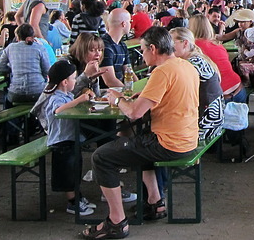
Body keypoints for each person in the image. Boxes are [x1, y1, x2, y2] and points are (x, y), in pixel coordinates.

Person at [84, 27, 200, 238]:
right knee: (140, 141)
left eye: (143, 50)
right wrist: (142, 95)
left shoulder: (162, 71)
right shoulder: (185, 66)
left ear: (153, 49)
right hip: (187, 138)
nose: (142, 55)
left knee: (101, 156)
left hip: (169, 144)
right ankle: (155, 202)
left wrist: (117, 99)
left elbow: (135, 113)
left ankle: (116, 222)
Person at [31, 60, 99, 216]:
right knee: (67, 171)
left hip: (70, 138)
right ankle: (72, 202)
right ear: (65, 82)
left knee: (76, 167)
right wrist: (79, 100)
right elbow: (58, 111)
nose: (75, 81)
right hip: (61, 141)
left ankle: (77, 196)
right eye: (74, 78)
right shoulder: (55, 97)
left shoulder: (66, 94)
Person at [170, 27, 224, 141]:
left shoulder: (193, 64)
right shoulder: (197, 58)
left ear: (185, 43)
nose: (168, 47)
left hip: (206, 124)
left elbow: (176, 92)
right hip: (213, 117)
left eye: (172, 43)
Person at [0, 24, 51, 104]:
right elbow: (47, 71)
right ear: (33, 36)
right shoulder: (40, 48)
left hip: (16, 93)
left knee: (7, 95)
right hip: (37, 92)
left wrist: (12, 69)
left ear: (17, 37)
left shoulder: (10, 48)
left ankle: (10, 114)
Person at [100, 8, 130, 87]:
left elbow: (130, 72)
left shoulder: (122, 45)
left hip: (120, 91)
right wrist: (128, 93)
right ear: (124, 24)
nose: (131, 24)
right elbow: (110, 81)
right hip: (106, 94)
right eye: (130, 21)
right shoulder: (104, 46)